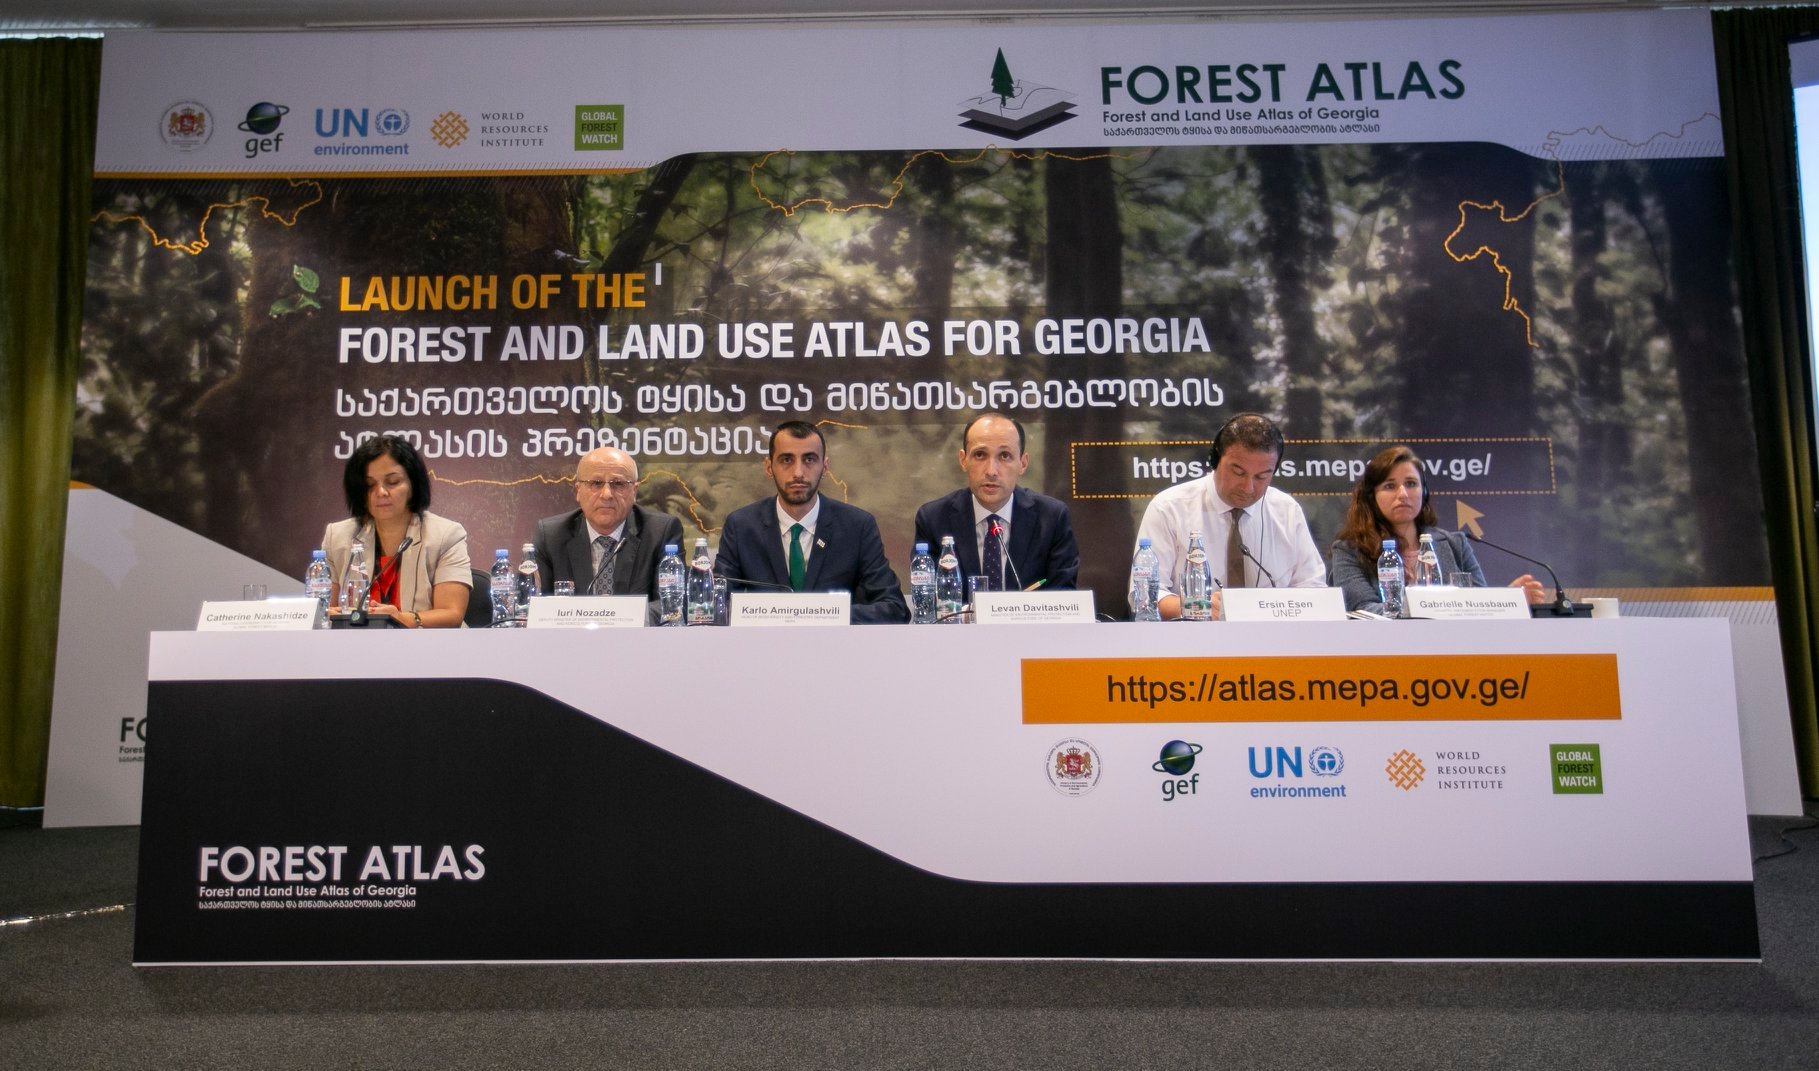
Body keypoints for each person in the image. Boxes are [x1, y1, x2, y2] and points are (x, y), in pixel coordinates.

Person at [1133, 412, 1325, 620]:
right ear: (1215, 460)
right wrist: (1196, 606)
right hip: (1193, 637)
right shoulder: (1169, 508)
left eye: (1261, 476)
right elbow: (1144, 596)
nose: (1248, 487)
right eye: (1238, 472)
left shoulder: (1286, 511)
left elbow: (1313, 588)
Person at [714, 420, 909, 624]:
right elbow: (717, 607)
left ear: (825, 467)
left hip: (835, 643)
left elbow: (895, 609)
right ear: (769, 467)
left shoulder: (857, 526)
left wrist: (826, 614)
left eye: (809, 459)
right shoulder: (741, 527)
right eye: (786, 460)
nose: (798, 472)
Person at [1328, 445, 1546, 614]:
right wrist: (1430, 606)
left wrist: (1510, 599)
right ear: (1371, 496)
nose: (1403, 494)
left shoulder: (1455, 544)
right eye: (1390, 486)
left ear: (1424, 492)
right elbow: (1363, 610)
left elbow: (1479, 608)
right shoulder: (1348, 551)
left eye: (1411, 484)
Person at [912, 413, 1080, 592]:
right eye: (980, 455)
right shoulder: (934, 519)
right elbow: (928, 597)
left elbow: (1063, 595)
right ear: (963, 460)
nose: (991, 471)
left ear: (1023, 463)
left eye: (1005, 456)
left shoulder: (1052, 518)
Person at [321, 434, 471, 628]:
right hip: (357, 644)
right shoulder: (338, 537)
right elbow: (325, 612)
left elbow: (452, 614)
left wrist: (402, 618)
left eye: (392, 482)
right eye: (369, 485)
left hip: (427, 644)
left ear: (413, 485)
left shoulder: (445, 535)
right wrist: (329, 615)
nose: (381, 492)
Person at [532, 447, 684, 606]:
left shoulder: (661, 532)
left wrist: (616, 616)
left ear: (634, 492)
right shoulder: (551, 536)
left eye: (618, 484)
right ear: (578, 491)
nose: (607, 494)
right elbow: (536, 607)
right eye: (596, 483)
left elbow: (672, 605)